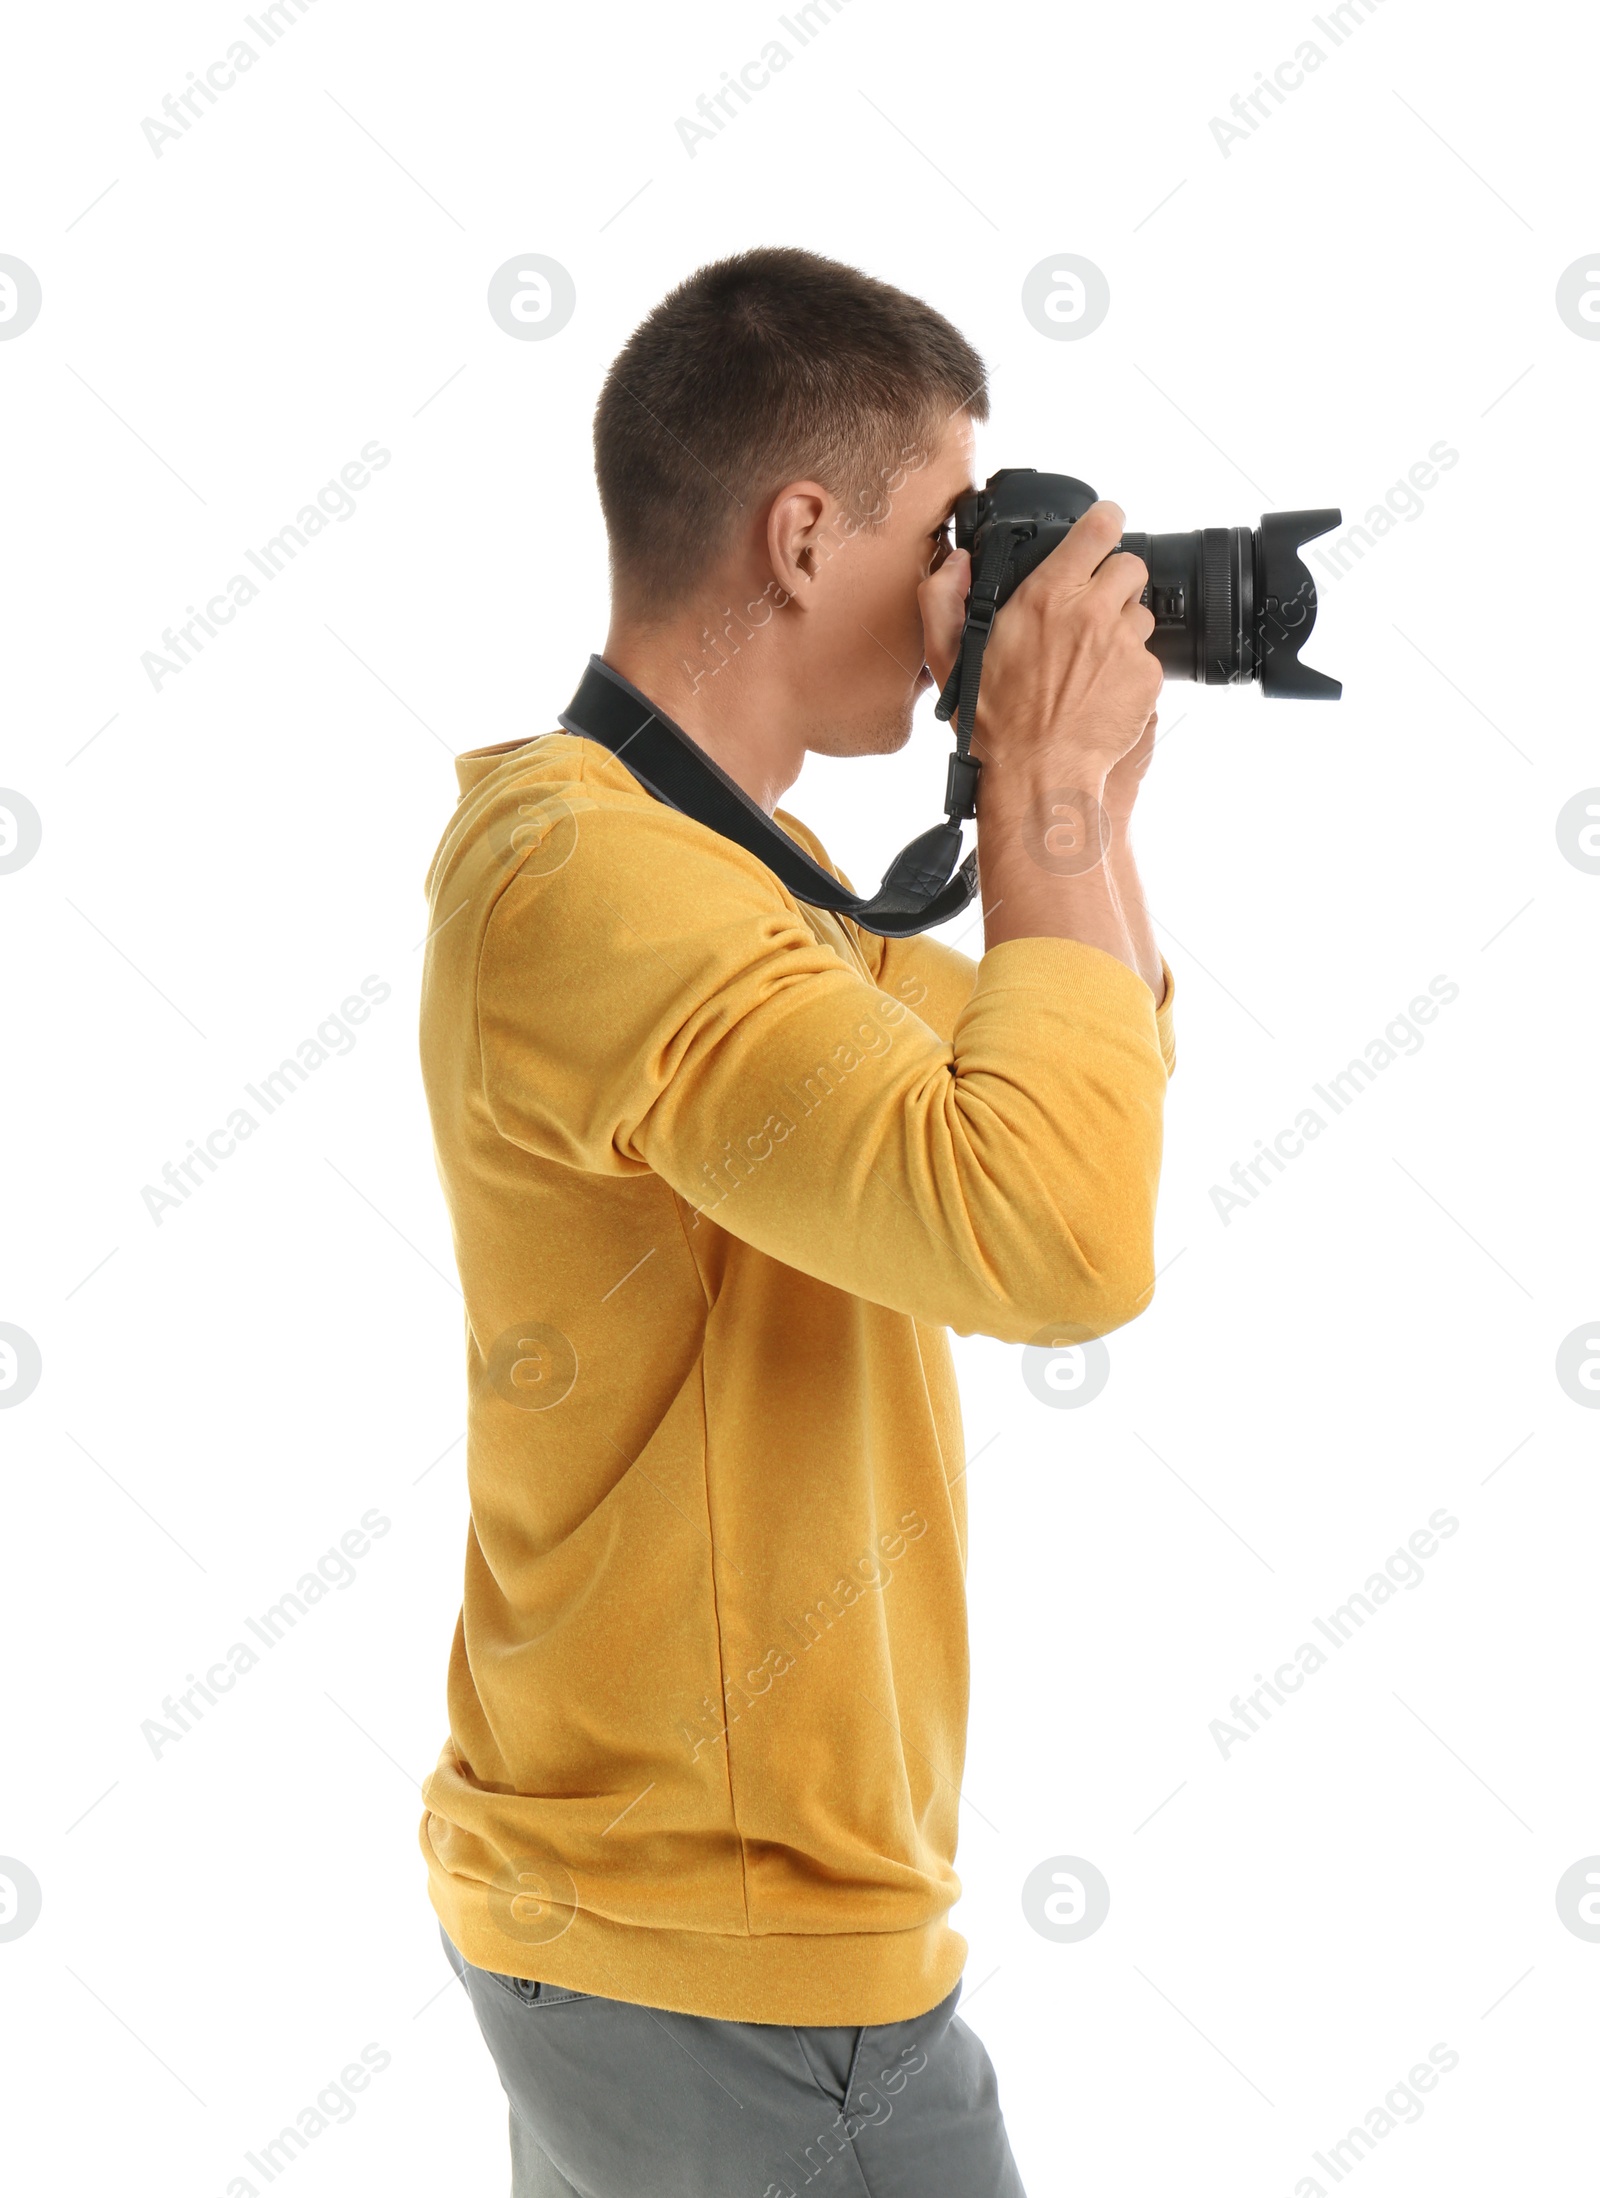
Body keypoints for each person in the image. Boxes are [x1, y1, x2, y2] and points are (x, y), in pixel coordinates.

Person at [418, 246, 1173, 2197]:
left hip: (651, 1921)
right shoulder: (591, 885)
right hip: (735, 1958)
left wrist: (1066, 789)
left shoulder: (732, 877)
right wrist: (1055, 787)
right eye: (948, 537)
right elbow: (1052, 1237)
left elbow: (1064, 1076)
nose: (957, 613)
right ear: (801, 527)